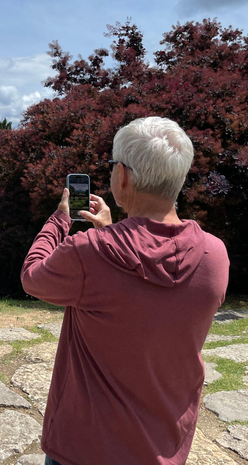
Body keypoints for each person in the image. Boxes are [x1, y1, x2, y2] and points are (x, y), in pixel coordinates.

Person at [21, 116, 230, 465]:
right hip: (163, 446)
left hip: (84, 448)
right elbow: (147, 286)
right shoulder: (215, 256)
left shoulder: (90, 253)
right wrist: (112, 230)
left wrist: (59, 220)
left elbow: (32, 276)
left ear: (123, 176)